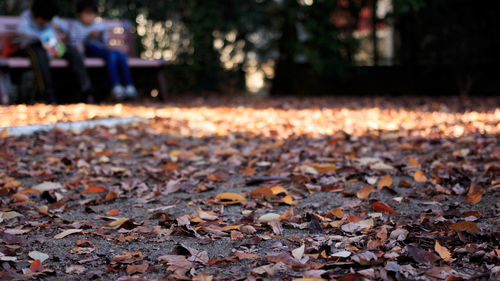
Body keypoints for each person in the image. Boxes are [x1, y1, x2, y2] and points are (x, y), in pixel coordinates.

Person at [17, 0, 91, 103]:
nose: (46, 23)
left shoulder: (51, 18)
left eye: (48, 20)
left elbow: (67, 29)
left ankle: (85, 89)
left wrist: (62, 33)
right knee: (40, 57)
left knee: (72, 52)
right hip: (31, 46)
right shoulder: (26, 16)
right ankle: (47, 95)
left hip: (51, 44)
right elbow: (21, 31)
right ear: (35, 14)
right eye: (43, 20)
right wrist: (39, 36)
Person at [70, 0, 138, 100]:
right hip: (87, 51)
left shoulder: (99, 25)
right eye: (87, 13)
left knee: (120, 55)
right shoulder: (75, 26)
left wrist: (99, 36)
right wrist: (88, 36)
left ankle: (129, 86)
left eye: (92, 14)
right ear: (79, 14)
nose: (90, 17)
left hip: (102, 50)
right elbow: (74, 44)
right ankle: (116, 86)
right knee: (111, 54)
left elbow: (105, 42)